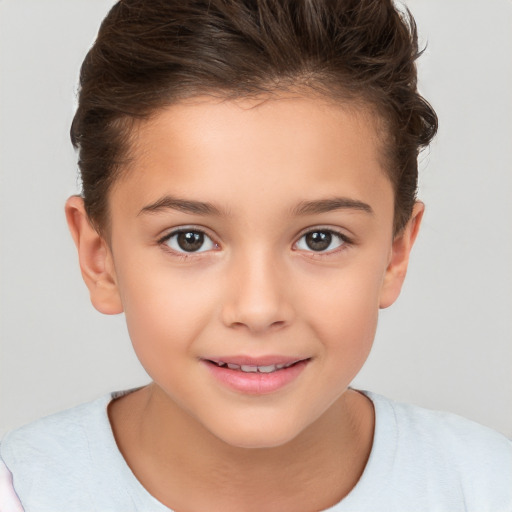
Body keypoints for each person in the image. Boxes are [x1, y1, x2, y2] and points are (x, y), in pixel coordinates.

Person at [1, 0, 510, 510]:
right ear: (99, 258)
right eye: (190, 239)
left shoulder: (486, 488)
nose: (259, 308)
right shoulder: (22, 493)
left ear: (395, 253)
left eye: (320, 239)